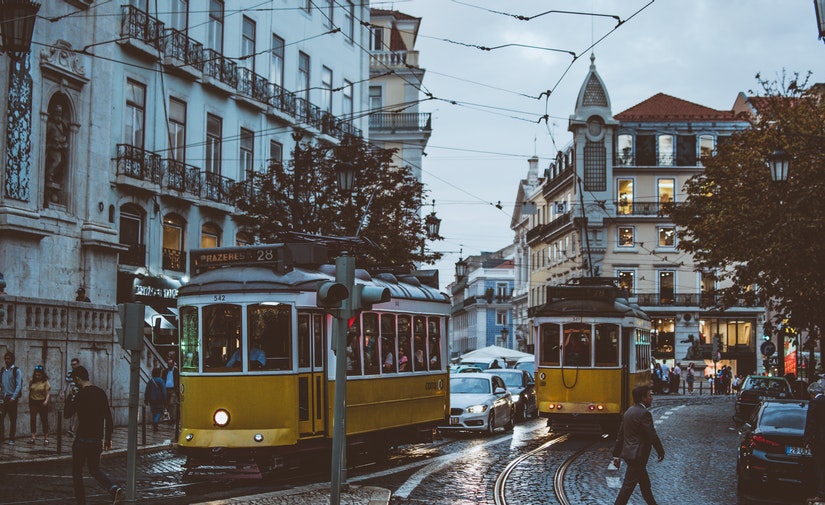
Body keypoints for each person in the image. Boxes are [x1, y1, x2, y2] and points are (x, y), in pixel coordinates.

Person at [64, 365, 124, 504]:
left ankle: (81, 502)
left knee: (77, 473)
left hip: (82, 439)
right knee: (94, 469)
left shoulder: (80, 395)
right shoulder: (101, 393)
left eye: (75, 381)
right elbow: (108, 418)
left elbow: (67, 414)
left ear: (78, 379)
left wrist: (70, 397)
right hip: (97, 439)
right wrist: (108, 438)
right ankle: (113, 488)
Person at [611, 385, 665, 505]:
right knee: (627, 487)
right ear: (643, 398)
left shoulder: (628, 412)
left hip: (631, 454)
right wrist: (660, 451)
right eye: (649, 395)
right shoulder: (644, 413)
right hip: (638, 456)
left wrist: (616, 455)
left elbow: (621, 435)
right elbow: (652, 435)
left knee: (645, 485)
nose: (651, 398)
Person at [805, 380, 825, 502]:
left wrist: (808, 439)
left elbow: (811, 423)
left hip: (819, 441)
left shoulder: (814, 403)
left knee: (819, 467)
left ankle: (821, 493)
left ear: (812, 393)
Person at [0, 351, 23, 444]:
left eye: (9, 359)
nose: (7, 360)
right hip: (3, 397)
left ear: (12, 360)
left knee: (13, 419)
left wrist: (14, 397)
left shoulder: (16, 370)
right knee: (1, 418)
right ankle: (1, 437)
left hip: (11, 398)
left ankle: (11, 438)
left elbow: (18, 385)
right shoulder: (2, 370)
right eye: (6, 359)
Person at [45, 103, 69, 184]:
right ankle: (48, 175)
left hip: (60, 148)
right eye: (57, 112)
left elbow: (64, 135)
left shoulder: (62, 125)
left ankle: (52, 176)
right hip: (52, 147)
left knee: (61, 163)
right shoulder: (51, 125)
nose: (58, 114)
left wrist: (63, 142)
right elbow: (46, 135)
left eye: (60, 112)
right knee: (57, 160)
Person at [28, 364, 51, 445]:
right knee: (33, 419)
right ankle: (33, 437)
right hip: (33, 401)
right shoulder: (32, 381)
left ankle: (46, 438)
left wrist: (46, 401)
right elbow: (30, 390)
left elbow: (48, 393)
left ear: (42, 375)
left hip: (42, 402)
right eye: (36, 375)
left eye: (39, 375)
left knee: (44, 420)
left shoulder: (45, 382)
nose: (37, 376)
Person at [62, 358, 81, 436]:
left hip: (79, 394)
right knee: (70, 411)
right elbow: (66, 383)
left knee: (77, 412)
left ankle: (73, 429)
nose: (73, 366)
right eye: (72, 364)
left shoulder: (81, 372)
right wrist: (63, 392)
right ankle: (71, 428)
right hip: (72, 394)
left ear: (78, 364)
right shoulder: (70, 372)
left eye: (74, 364)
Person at [162, 358, 179, 426]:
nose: (169, 365)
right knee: (167, 405)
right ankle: (168, 418)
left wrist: (176, 387)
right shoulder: (165, 371)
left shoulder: (176, 371)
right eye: (168, 364)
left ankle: (173, 419)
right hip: (166, 389)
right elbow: (163, 378)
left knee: (172, 404)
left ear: (173, 364)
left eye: (170, 364)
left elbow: (178, 379)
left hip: (173, 389)